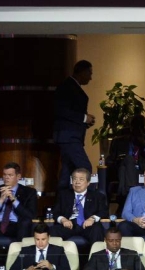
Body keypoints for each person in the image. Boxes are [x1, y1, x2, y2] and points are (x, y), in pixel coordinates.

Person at [53, 60, 95, 191]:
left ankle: (60, 206)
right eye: (89, 73)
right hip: (69, 137)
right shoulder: (67, 87)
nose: (90, 77)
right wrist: (83, 118)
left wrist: (85, 122)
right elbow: (60, 110)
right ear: (82, 72)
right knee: (84, 167)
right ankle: (86, 203)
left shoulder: (71, 86)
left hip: (70, 136)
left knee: (67, 174)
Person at [109, 114, 145, 213]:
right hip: (123, 170)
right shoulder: (119, 141)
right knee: (128, 161)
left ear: (143, 128)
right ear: (130, 127)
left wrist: (144, 145)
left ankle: (126, 202)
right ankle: (134, 198)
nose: (136, 130)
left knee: (125, 170)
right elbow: (109, 160)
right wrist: (120, 160)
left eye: (139, 127)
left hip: (142, 171)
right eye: (134, 127)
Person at [50, 168, 109, 247]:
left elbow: (104, 211)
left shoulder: (97, 196)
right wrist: (63, 220)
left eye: (81, 179)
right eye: (74, 179)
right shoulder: (63, 195)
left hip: (88, 226)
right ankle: (55, 258)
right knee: (53, 230)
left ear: (88, 183)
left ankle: (97, 258)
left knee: (97, 229)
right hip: (69, 226)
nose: (77, 182)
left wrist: (92, 219)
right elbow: (55, 212)